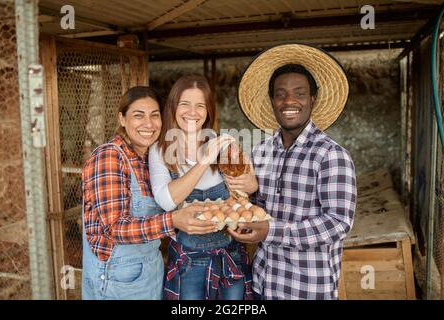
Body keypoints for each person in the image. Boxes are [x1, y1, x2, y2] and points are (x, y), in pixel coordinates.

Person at [226, 44, 357, 300]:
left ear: (312, 100)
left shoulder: (331, 155)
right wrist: (244, 210)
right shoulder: (262, 151)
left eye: (299, 93)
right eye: (280, 94)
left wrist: (270, 231)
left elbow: (338, 223)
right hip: (264, 280)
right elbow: (260, 208)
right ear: (272, 100)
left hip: (305, 287)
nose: (289, 101)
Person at [81, 86, 216, 300]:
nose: (149, 124)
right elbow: (114, 228)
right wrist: (172, 221)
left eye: (155, 115)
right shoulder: (109, 157)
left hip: (150, 272)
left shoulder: (149, 159)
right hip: (118, 281)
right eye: (138, 115)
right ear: (122, 118)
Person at [148, 75, 252, 300]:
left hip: (229, 255)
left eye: (200, 105)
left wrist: (247, 176)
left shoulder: (221, 142)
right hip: (189, 262)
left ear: (208, 111)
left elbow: (248, 187)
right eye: (185, 104)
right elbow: (166, 201)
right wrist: (205, 160)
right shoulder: (159, 150)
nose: (192, 112)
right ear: (173, 106)